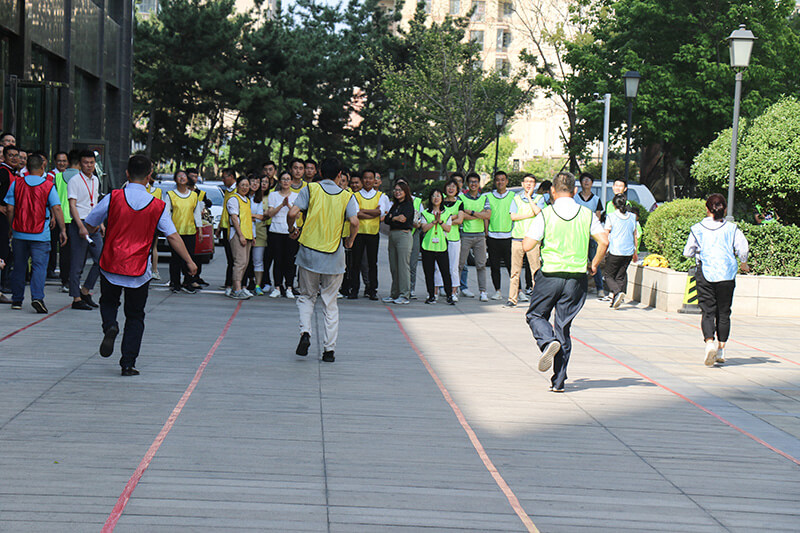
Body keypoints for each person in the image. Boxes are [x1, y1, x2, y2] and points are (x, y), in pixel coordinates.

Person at [86, 155, 196, 376]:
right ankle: (128, 363)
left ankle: (110, 326)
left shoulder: (113, 197)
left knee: (108, 302)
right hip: (139, 269)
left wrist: (92, 230)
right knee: (135, 316)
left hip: (111, 263)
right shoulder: (158, 206)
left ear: (126, 173)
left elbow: (90, 222)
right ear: (149, 177)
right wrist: (189, 261)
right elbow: (173, 236)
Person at [522, 171, 608, 392]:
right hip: (576, 278)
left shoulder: (546, 214)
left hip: (550, 275)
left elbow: (527, 246)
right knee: (564, 327)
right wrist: (594, 264)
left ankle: (546, 341)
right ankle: (558, 381)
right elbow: (604, 241)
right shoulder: (587, 214)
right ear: (575, 190)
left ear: (552, 190)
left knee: (536, 314)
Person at [287, 156, 359, 363]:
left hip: (308, 253)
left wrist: (293, 229)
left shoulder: (310, 189)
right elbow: (354, 222)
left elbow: (293, 212)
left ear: (319, 170)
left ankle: (306, 332)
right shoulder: (347, 196)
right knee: (330, 303)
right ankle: (329, 350)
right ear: (339, 175)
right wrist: (350, 241)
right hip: (334, 256)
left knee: (306, 297)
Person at [683, 193, 749, 367]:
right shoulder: (732, 228)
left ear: (707, 209)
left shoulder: (697, 229)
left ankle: (709, 343)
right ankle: (721, 350)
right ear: (724, 209)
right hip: (727, 275)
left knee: (707, 311)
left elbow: (687, 252)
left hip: (705, 273)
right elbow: (742, 248)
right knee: (724, 312)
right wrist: (743, 263)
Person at [4, 153, 67, 313]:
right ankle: (37, 298)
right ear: (42, 167)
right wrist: (63, 230)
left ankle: (17, 300)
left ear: (27, 167)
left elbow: (10, 208)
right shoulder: (47, 186)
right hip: (41, 234)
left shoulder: (17, 184)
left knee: (19, 266)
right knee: (39, 267)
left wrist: (11, 226)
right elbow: (57, 208)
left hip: (19, 232)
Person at [67, 150, 103, 310]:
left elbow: (95, 203)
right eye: (86, 163)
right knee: (77, 262)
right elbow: (72, 205)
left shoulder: (96, 179)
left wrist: (101, 223)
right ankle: (76, 298)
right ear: (80, 164)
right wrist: (80, 226)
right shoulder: (74, 180)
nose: (89, 166)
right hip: (79, 223)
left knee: (101, 260)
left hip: (94, 222)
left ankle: (85, 290)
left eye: (91, 162)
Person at [349, 169, 389, 300]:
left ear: (375, 180)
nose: (368, 181)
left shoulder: (381, 196)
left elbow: (381, 213)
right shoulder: (355, 195)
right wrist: (373, 212)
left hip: (373, 233)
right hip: (358, 233)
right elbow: (355, 214)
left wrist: (363, 211)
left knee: (372, 263)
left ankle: (372, 290)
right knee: (356, 262)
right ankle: (354, 289)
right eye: (365, 178)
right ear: (362, 180)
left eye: (371, 178)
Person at [507, 174, 544, 307]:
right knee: (515, 270)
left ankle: (537, 299)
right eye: (526, 182)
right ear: (522, 184)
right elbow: (513, 216)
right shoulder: (515, 199)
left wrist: (529, 197)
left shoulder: (539, 198)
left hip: (533, 239)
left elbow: (539, 212)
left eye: (532, 182)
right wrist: (528, 215)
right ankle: (512, 298)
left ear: (535, 185)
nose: (528, 184)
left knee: (535, 270)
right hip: (517, 238)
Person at [164, 170, 203, 294]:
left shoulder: (193, 196)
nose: (182, 178)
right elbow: (166, 214)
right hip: (175, 232)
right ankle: (175, 282)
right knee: (175, 258)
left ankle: (188, 280)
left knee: (189, 257)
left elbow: (196, 214)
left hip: (190, 231)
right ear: (175, 179)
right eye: (179, 176)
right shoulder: (170, 195)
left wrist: (200, 229)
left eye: (184, 176)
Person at [458, 173, 491, 301]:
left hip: (480, 235)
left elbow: (488, 215)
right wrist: (479, 214)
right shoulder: (461, 198)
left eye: (476, 182)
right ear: (467, 184)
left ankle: (483, 291)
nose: (473, 184)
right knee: (460, 265)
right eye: (471, 182)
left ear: (479, 184)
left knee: (481, 265)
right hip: (465, 235)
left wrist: (471, 212)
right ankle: (455, 290)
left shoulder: (484, 198)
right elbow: (461, 216)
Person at [418, 188, 455, 305]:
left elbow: (448, 229)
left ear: (442, 198)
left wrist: (440, 222)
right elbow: (423, 228)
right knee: (428, 272)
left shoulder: (447, 213)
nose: (436, 198)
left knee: (445, 271)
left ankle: (449, 295)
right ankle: (431, 295)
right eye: (433, 196)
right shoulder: (425, 213)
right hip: (428, 246)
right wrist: (433, 222)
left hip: (441, 246)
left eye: (438, 196)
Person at [266, 170, 299, 298]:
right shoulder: (273, 195)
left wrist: (289, 205)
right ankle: (278, 287)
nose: (286, 181)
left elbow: (297, 215)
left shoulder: (296, 195)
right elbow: (270, 213)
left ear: (291, 181)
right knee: (278, 260)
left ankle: (289, 287)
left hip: (290, 232)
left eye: (288, 179)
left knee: (290, 260)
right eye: (283, 179)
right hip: (276, 231)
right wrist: (282, 205)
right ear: (280, 181)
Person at [604, 194, 638, 309]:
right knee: (620, 276)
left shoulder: (611, 216)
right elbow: (635, 235)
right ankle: (615, 300)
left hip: (615, 250)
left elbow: (606, 233)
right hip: (628, 251)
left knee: (608, 275)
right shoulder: (632, 217)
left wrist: (603, 249)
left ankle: (617, 292)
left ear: (613, 205)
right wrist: (635, 252)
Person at [383, 180, 414, 304]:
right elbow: (386, 220)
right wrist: (394, 217)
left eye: (400, 190)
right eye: (395, 190)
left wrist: (392, 218)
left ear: (405, 192)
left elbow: (404, 220)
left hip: (404, 235)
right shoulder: (395, 205)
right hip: (393, 235)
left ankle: (404, 294)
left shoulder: (408, 205)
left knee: (403, 266)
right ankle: (394, 293)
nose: (397, 192)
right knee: (394, 267)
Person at [485, 171, 515, 300]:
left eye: (503, 180)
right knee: (494, 266)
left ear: (507, 181)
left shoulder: (513, 196)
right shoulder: (488, 196)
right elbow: (486, 216)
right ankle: (497, 291)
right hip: (493, 236)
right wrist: (486, 233)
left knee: (512, 266)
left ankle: (517, 291)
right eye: (497, 180)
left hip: (508, 236)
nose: (500, 182)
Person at [574, 172, 605, 297]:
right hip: (577, 234)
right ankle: (577, 288)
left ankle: (600, 288)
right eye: (584, 180)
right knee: (577, 261)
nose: (586, 182)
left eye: (589, 180)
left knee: (594, 262)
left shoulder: (596, 199)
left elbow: (597, 217)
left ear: (592, 183)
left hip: (591, 236)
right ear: (581, 183)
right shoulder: (575, 198)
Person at [433, 179, 464, 301]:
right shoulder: (440, 201)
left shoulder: (459, 203)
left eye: (453, 187)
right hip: (440, 237)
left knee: (453, 267)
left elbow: (460, 220)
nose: (451, 189)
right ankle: (435, 292)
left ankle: (453, 292)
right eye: (448, 186)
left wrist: (445, 220)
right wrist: (452, 217)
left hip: (454, 238)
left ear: (457, 190)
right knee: (437, 266)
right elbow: (434, 216)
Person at [53, 150, 78, 293]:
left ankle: (65, 281)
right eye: (59, 161)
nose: (62, 163)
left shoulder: (57, 177)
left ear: (68, 162)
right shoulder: (81, 178)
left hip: (63, 219)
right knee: (73, 253)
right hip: (71, 219)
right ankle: (69, 281)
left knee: (64, 252)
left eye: (64, 161)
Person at [227, 176, 254, 300]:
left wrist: (251, 236)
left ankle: (236, 287)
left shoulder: (246, 200)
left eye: (247, 185)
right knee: (239, 262)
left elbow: (247, 219)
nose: (245, 187)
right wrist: (241, 235)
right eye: (242, 185)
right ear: (237, 185)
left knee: (245, 263)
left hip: (247, 235)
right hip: (238, 235)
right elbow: (234, 218)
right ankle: (236, 289)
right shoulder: (233, 199)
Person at [0, 145, 19, 302]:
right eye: (10, 155)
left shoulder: (15, 174)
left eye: (16, 155)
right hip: (2, 217)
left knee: (7, 251)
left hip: (10, 217)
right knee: (2, 251)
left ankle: (4, 284)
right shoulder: (2, 172)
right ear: (4, 157)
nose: (14, 158)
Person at [217, 168, 237, 294]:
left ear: (231, 177)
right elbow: (225, 210)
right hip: (225, 227)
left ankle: (233, 282)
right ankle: (228, 282)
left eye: (225, 177)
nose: (223, 180)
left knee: (235, 257)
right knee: (229, 257)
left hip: (234, 228)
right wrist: (219, 227)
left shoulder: (237, 190)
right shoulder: (227, 191)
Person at [252, 175, 270, 295]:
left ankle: (258, 285)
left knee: (258, 260)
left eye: (257, 182)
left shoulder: (259, 199)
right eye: (252, 181)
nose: (256, 184)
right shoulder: (241, 197)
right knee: (243, 261)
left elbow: (261, 217)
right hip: (244, 231)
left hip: (259, 231)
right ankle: (242, 284)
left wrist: (248, 215)